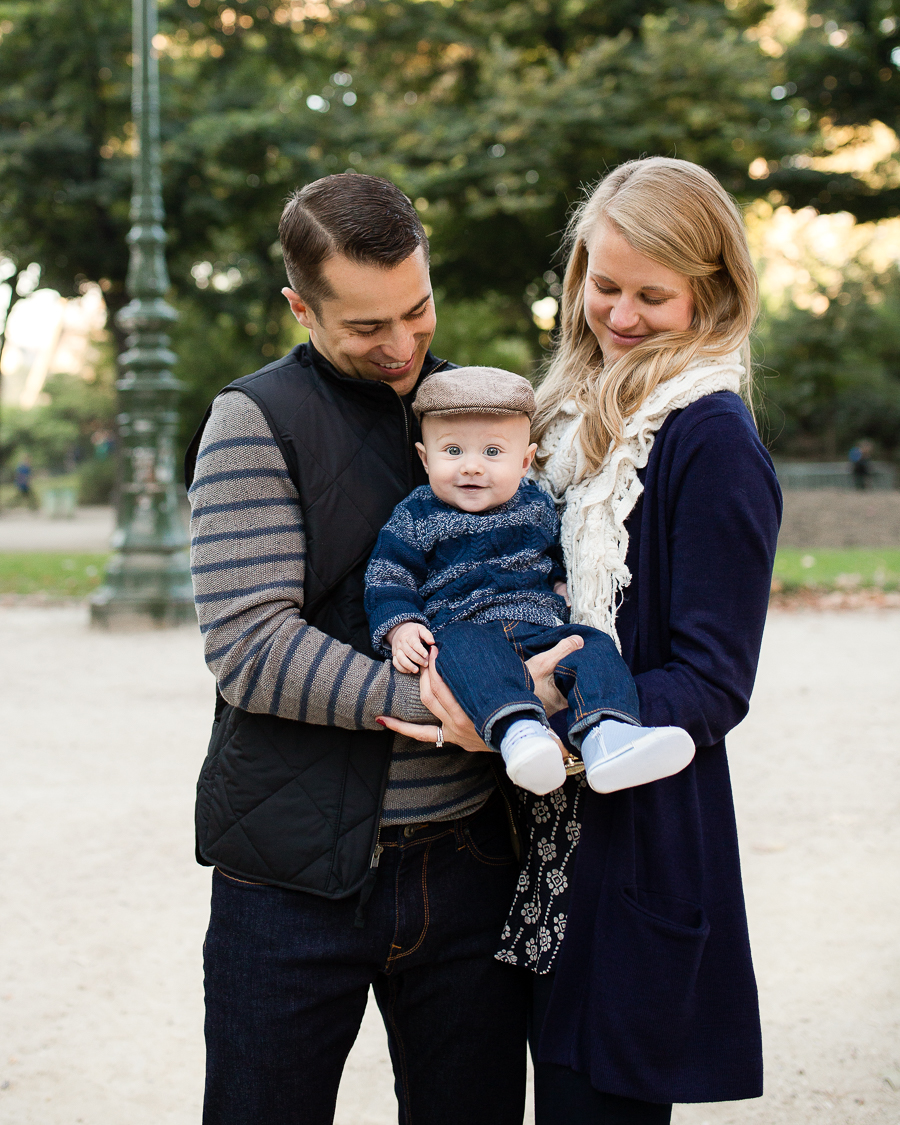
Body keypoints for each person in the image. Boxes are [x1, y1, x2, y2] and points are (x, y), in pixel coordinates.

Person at [380, 157, 782, 1123]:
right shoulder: (556, 412)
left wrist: (560, 710)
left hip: (627, 843)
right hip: (520, 844)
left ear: (712, 292)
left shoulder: (708, 437)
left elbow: (714, 683)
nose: (623, 315)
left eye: (655, 295)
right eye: (605, 286)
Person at [184, 173, 578, 1125]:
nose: (402, 347)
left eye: (417, 309)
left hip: (471, 862)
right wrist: (449, 701)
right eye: (366, 328)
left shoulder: (483, 412)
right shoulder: (252, 422)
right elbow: (248, 645)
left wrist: (554, 681)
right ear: (299, 306)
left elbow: (550, 582)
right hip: (291, 873)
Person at [365, 365, 694, 796]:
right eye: (452, 451)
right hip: (464, 628)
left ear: (525, 462)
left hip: (538, 628)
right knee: (466, 657)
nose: (472, 468)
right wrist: (401, 625)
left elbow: (552, 558)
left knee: (590, 646)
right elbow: (388, 576)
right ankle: (520, 734)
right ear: (425, 458)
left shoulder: (535, 506)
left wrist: (560, 586)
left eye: (493, 453)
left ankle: (608, 734)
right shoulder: (416, 515)